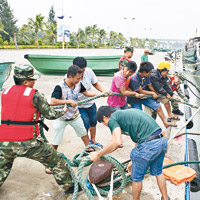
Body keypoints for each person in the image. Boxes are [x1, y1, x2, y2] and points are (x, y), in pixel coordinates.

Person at [0, 65, 80, 194]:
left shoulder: (5, 92)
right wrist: (64, 110)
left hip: (3, 142)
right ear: (25, 82)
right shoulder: (35, 95)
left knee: (2, 166)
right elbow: (50, 114)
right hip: (28, 143)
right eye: (33, 79)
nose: (34, 82)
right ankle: (70, 187)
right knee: (57, 160)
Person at [90, 106, 169, 200]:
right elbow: (139, 139)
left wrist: (98, 154)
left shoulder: (113, 118)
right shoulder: (127, 114)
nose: (107, 125)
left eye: (104, 123)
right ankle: (165, 198)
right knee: (158, 172)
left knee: (136, 178)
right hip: (162, 141)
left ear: (105, 117)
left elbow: (117, 142)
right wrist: (133, 160)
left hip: (149, 145)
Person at [50, 65, 105, 152]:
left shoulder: (78, 84)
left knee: (83, 133)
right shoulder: (59, 87)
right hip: (61, 117)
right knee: (56, 140)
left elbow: (86, 92)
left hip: (74, 115)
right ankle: (51, 156)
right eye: (78, 78)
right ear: (70, 77)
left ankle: (88, 148)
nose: (79, 80)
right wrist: (68, 102)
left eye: (80, 78)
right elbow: (52, 102)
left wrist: (99, 94)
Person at [127, 62, 175, 128]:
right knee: (139, 115)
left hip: (145, 96)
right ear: (144, 72)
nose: (150, 74)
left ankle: (165, 123)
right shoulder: (134, 79)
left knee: (158, 106)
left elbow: (150, 86)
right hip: (135, 99)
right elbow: (141, 91)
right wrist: (152, 93)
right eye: (149, 72)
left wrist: (158, 94)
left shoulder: (147, 76)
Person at [73, 57, 107, 148]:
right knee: (85, 123)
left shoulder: (89, 71)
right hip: (79, 105)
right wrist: (74, 99)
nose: (82, 73)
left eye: (83, 71)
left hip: (90, 103)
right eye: (80, 71)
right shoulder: (69, 76)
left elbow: (95, 83)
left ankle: (93, 140)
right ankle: (87, 144)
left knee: (93, 122)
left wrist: (103, 91)